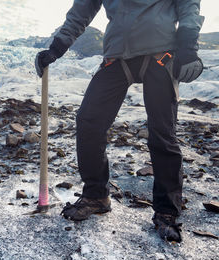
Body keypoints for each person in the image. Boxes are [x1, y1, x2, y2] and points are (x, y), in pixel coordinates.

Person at [35, 0, 204, 243]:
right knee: (89, 121)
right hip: (117, 55)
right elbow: (81, 11)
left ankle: (167, 211)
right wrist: (56, 48)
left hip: (161, 52)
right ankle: (96, 196)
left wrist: (189, 47)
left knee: (162, 132)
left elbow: (188, 4)